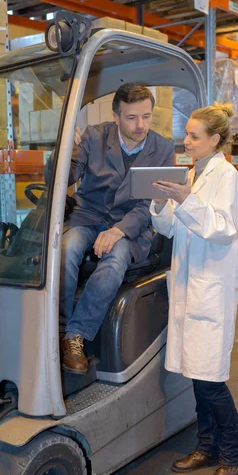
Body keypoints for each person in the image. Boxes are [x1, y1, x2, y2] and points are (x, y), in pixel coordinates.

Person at [150, 103, 238, 475]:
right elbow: (172, 227)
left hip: (212, 289)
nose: (185, 141)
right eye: (186, 134)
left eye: (193, 136)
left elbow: (222, 229)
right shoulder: (192, 173)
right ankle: (206, 446)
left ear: (215, 140)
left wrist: (187, 198)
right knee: (196, 374)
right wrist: (159, 202)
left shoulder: (228, 178)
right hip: (190, 286)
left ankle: (232, 456)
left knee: (211, 380)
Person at [60, 83, 174, 374]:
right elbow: (67, 176)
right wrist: (65, 150)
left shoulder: (161, 149)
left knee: (114, 262)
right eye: (132, 118)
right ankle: (55, 327)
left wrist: (119, 231)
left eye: (146, 117)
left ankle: (75, 335)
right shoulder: (94, 136)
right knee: (66, 249)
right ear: (116, 116)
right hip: (89, 215)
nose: (141, 125)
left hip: (131, 223)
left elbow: (148, 204)